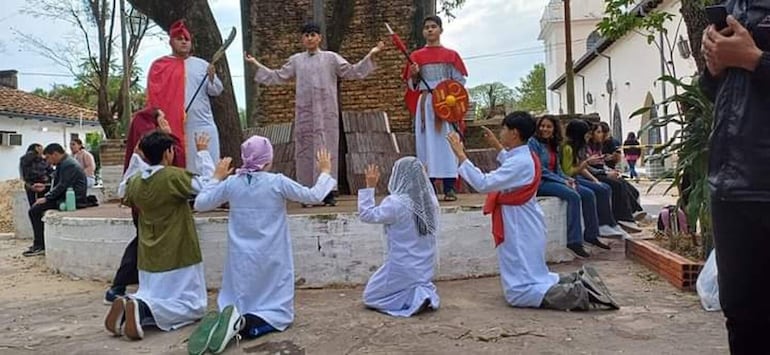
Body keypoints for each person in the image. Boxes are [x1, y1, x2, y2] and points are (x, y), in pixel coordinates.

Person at [447, 111, 618, 311]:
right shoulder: (526, 155)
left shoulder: (522, 161)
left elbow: (484, 183)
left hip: (519, 223)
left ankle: (580, 293)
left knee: (520, 290)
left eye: (503, 129)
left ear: (514, 133)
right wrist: (496, 145)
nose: (500, 133)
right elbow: (511, 162)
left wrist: (461, 155)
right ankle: (577, 279)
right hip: (525, 220)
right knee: (534, 273)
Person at [191, 136, 336, 353]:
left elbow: (201, 204)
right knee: (279, 311)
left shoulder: (232, 183)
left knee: (240, 292)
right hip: (272, 254)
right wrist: (324, 171)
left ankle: (233, 315)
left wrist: (216, 177)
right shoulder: (277, 182)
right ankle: (246, 325)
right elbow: (313, 196)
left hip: (241, 255)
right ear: (268, 160)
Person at [245, 21, 385, 206]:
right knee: (305, 152)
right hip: (305, 114)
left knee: (326, 150)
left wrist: (371, 55)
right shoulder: (296, 60)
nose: (310, 38)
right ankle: (307, 192)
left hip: (327, 114)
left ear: (319, 38)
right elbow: (278, 75)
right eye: (306, 35)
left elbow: (352, 71)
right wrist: (255, 64)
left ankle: (327, 192)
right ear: (302, 39)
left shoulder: (331, 58)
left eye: (313, 34)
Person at [701, 9, 770, 353]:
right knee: (741, 314)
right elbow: (723, 94)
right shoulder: (733, 6)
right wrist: (714, 69)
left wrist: (756, 60)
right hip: (730, 183)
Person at [104, 131, 216, 341]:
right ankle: (142, 309)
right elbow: (207, 188)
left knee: (154, 293)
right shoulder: (173, 176)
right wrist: (203, 155)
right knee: (193, 305)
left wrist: (136, 160)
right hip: (178, 248)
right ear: (168, 152)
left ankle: (132, 306)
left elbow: (122, 192)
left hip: (149, 252)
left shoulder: (135, 182)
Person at [104, 109, 187, 304]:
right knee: (140, 243)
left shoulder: (143, 151)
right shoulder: (145, 152)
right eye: (162, 118)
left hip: (149, 209)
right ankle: (118, 287)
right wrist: (168, 137)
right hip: (149, 210)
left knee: (143, 244)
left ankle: (128, 285)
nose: (166, 121)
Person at [357, 157, 440, 317]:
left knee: (371, 296)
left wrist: (370, 187)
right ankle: (421, 293)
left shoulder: (396, 203)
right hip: (424, 267)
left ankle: (414, 300)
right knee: (413, 283)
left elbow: (367, 215)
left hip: (401, 266)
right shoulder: (430, 201)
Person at [527, 116, 614, 258]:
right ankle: (574, 241)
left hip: (555, 179)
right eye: (542, 126)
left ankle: (591, 235)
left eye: (549, 126)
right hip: (540, 182)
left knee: (588, 194)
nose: (545, 129)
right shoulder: (533, 143)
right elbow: (539, 169)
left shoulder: (553, 144)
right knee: (573, 196)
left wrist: (566, 179)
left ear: (554, 129)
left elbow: (559, 168)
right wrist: (562, 181)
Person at [146, 20, 223, 174]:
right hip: (176, 127)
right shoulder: (160, 66)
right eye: (179, 39)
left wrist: (212, 77)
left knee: (209, 166)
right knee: (185, 167)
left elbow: (216, 90)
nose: (183, 42)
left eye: (186, 39)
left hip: (203, 124)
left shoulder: (202, 65)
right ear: (171, 42)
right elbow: (154, 97)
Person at [405, 15, 468, 202]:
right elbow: (412, 85)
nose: (430, 30)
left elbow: (460, 82)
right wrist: (415, 75)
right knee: (426, 144)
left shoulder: (451, 55)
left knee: (448, 144)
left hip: (446, 106)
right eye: (427, 27)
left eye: (433, 26)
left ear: (440, 30)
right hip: (426, 105)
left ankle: (449, 187)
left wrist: (448, 97)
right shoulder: (416, 57)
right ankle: (429, 187)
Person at [561, 120, 629, 239]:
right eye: (587, 134)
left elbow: (583, 167)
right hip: (570, 178)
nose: (588, 137)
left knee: (605, 187)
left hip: (580, 176)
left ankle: (612, 222)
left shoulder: (579, 147)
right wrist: (587, 163)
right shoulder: (567, 148)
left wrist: (594, 179)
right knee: (596, 191)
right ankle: (602, 225)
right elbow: (569, 171)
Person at [23, 143, 87, 257]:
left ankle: (40, 245)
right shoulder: (64, 163)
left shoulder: (68, 164)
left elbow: (63, 185)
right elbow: (59, 184)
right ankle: (40, 243)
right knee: (36, 207)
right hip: (66, 194)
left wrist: (47, 198)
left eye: (48, 157)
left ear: (55, 154)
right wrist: (45, 187)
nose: (47, 161)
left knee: (34, 210)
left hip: (73, 198)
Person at [586, 122, 644, 232]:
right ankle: (623, 217)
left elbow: (603, 162)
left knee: (622, 182)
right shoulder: (585, 148)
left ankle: (632, 212)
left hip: (601, 171)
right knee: (614, 185)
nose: (601, 135)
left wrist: (609, 170)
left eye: (602, 132)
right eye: (598, 132)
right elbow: (585, 166)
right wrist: (604, 173)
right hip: (592, 174)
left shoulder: (599, 146)